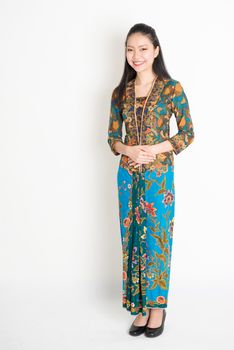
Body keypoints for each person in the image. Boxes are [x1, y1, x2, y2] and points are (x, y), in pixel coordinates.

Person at [107, 23, 195, 338]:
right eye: (130, 49)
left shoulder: (172, 88)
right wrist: (129, 149)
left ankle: (157, 308)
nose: (136, 55)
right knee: (131, 238)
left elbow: (187, 134)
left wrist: (155, 149)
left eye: (143, 48)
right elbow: (111, 139)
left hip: (159, 177)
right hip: (128, 176)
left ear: (156, 50)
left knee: (157, 239)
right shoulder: (121, 92)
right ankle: (141, 308)